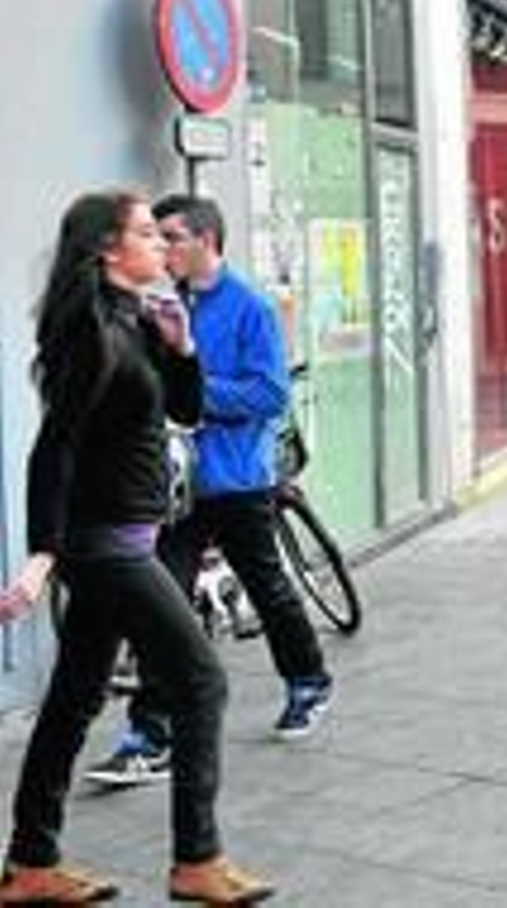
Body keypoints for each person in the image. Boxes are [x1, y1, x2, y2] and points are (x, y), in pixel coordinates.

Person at [0, 190, 273, 904]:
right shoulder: (93, 333)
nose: (163, 244)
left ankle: (30, 864)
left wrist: (182, 348)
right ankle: (196, 861)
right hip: (106, 547)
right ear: (107, 251)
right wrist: (41, 556)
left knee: (74, 698)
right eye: (148, 233)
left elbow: (184, 411)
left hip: (126, 538)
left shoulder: (141, 320)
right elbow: (53, 450)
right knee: (201, 681)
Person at [86, 195, 331, 788]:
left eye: (171, 237)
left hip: (236, 482)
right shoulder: (157, 306)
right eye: (156, 237)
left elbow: (269, 394)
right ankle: (151, 734)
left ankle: (308, 681)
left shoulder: (250, 308)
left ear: (205, 241)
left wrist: (192, 395)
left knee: (269, 588)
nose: (162, 248)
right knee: (159, 606)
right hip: (173, 491)